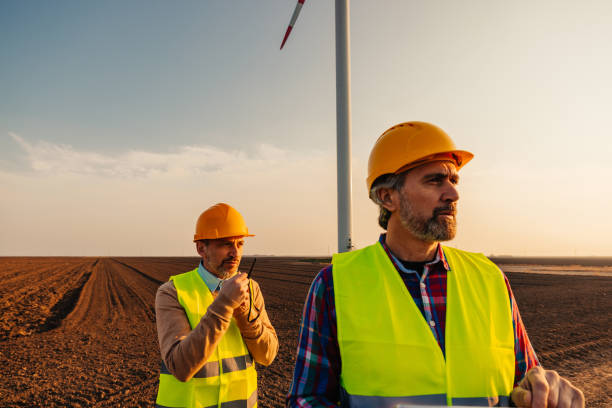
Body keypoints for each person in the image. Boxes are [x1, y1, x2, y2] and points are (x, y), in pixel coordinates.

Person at [287, 122, 584, 407]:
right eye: (435, 180)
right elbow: (307, 399)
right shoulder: (335, 284)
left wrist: (544, 392)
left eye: (454, 180)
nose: (453, 194)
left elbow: (526, 382)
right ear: (387, 196)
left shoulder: (491, 279)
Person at [155, 203, 278, 408]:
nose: (235, 253)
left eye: (240, 244)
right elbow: (181, 367)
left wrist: (246, 317)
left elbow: (268, 356)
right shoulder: (172, 292)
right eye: (225, 244)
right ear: (201, 248)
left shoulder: (252, 289)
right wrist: (225, 304)